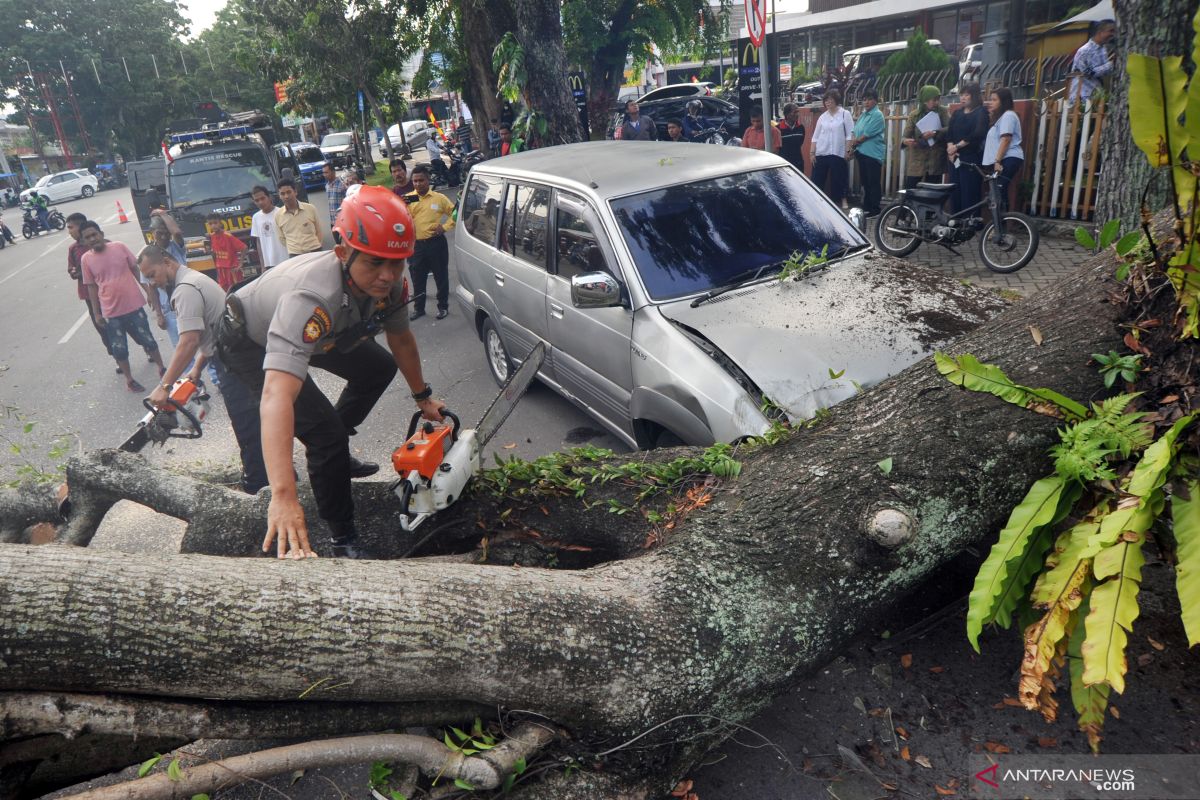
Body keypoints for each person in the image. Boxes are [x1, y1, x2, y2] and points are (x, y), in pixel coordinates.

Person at [215, 185, 446, 560]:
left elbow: (400, 339)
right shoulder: (311, 298)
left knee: (379, 368)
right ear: (342, 252)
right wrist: (284, 496)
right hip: (250, 340)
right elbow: (276, 397)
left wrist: (424, 399)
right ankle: (343, 540)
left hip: (330, 329)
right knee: (327, 437)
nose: (387, 276)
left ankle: (330, 450)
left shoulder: (389, 285)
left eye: (397, 262)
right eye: (374, 262)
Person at [138, 245, 266, 494]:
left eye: (153, 274)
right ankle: (272, 472)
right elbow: (212, 332)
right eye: (148, 279)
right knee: (257, 419)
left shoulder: (185, 290)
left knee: (247, 424)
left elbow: (188, 341)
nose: (152, 283)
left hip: (235, 360)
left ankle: (258, 484)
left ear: (166, 261)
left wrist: (164, 386)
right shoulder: (194, 279)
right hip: (234, 351)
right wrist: (197, 368)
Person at [79, 221, 166, 393]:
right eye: (88, 237)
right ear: (84, 242)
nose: (92, 239)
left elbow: (136, 270)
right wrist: (97, 314)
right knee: (119, 349)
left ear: (101, 234)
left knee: (148, 340)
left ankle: (162, 368)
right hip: (111, 313)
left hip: (134, 306)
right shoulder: (86, 259)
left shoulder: (119, 247)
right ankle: (130, 380)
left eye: (94, 234)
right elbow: (91, 287)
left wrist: (148, 292)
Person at [66, 212, 120, 368]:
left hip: (110, 294)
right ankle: (117, 358)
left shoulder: (102, 244)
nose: (69, 231)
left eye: (71, 227)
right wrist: (73, 272)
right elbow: (71, 269)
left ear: (81, 226)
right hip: (90, 297)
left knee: (125, 323)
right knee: (103, 329)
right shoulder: (73, 249)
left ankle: (147, 347)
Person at [405, 164, 456, 321]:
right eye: (415, 181)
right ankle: (419, 309)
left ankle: (443, 307)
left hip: (436, 244)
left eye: (421, 180)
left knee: (441, 276)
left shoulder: (439, 198)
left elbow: (455, 212)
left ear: (428, 180)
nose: (418, 184)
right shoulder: (407, 199)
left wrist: (445, 227)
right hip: (417, 246)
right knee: (417, 277)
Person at [945, 82, 990, 214]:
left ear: (974, 96)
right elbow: (950, 133)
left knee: (969, 189)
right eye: (961, 95)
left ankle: (970, 220)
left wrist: (957, 146)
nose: (963, 98)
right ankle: (956, 219)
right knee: (955, 188)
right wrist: (950, 149)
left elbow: (978, 134)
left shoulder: (981, 112)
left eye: (966, 95)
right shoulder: (957, 113)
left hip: (970, 157)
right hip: (955, 158)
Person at [809, 89, 855, 207]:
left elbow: (850, 133)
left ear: (836, 100)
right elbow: (815, 136)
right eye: (826, 100)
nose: (828, 103)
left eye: (830, 100)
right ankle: (815, 201)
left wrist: (848, 150)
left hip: (837, 151)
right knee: (817, 178)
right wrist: (812, 152)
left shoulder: (845, 114)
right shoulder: (822, 117)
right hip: (822, 151)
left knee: (840, 177)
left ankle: (842, 200)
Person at [983, 87, 1024, 213]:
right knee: (998, 192)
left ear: (1003, 102)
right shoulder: (1001, 118)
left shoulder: (1008, 116)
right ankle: (1000, 226)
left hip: (1008, 158)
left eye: (995, 100)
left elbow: (1006, 139)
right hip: (1004, 159)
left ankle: (1001, 227)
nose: (991, 102)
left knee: (998, 191)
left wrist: (997, 161)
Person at [901, 85, 950, 190]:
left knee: (932, 192)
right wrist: (906, 141)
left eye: (938, 99)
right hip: (917, 160)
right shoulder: (914, 115)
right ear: (925, 100)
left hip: (935, 160)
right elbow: (905, 136)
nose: (937, 102)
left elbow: (950, 128)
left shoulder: (943, 112)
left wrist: (935, 132)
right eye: (934, 100)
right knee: (911, 190)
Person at [850, 90, 885, 216]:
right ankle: (867, 206)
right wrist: (854, 139)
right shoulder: (864, 115)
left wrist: (855, 142)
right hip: (862, 152)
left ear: (875, 100)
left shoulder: (877, 115)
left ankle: (875, 209)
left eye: (869, 99)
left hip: (872, 154)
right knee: (865, 182)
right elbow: (855, 130)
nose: (866, 102)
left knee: (873, 182)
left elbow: (866, 134)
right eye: (864, 99)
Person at [273, 178, 323, 258]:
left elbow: (319, 231)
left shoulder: (310, 208)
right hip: (295, 255)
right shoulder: (278, 216)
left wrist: (316, 246)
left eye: (289, 192)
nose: (286, 196)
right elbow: (282, 238)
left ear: (295, 192)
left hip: (315, 251)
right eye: (282, 194)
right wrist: (295, 248)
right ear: (279, 196)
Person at [1071, 19, 1116, 105]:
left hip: (1096, 96)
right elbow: (1088, 73)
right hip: (1082, 97)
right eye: (1111, 31)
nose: (1113, 34)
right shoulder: (1084, 51)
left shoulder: (1103, 49)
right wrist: (1111, 64)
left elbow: (1104, 72)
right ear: (1100, 32)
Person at [250, 185, 287, 271]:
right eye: (257, 200)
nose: (260, 202)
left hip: (286, 260)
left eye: (263, 198)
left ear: (269, 197)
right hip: (269, 264)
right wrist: (263, 265)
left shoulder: (281, 213)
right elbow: (258, 242)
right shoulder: (256, 217)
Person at [206, 213, 247, 291]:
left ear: (220, 223)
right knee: (224, 292)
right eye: (210, 224)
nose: (213, 226)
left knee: (237, 291)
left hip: (232, 270)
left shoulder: (228, 236)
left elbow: (244, 247)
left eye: (215, 223)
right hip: (221, 270)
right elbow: (215, 253)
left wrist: (240, 263)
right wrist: (209, 252)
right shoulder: (212, 237)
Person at [777, 102, 806, 172]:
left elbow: (800, 142)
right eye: (795, 112)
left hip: (798, 164)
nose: (797, 115)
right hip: (783, 165)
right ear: (787, 115)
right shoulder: (778, 129)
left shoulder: (801, 128)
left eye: (798, 112)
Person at [322, 163, 347, 228]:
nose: (324, 175)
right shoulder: (327, 186)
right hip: (333, 222)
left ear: (333, 172)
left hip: (344, 222)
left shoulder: (342, 184)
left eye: (326, 172)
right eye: (323, 173)